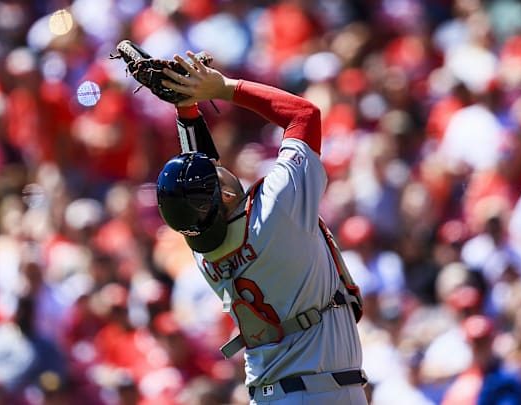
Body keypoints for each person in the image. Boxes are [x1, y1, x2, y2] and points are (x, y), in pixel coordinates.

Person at [152, 51, 369, 404]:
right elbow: (304, 115)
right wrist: (222, 87)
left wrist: (186, 107)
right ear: (222, 193)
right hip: (318, 393)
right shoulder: (275, 210)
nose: (220, 166)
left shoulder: (204, 250)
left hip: (275, 394)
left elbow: (204, 169)